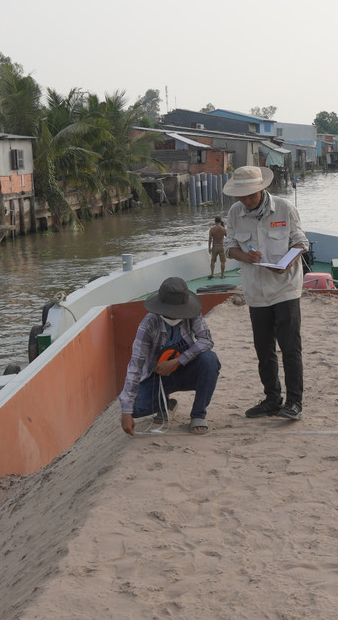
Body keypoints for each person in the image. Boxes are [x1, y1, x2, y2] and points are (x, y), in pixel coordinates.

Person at [223, 165, 307, 421]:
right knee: (264, 349)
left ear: (262, 189)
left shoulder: (284, 208)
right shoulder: (235, 212)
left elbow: (300, 241)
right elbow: (229, 246)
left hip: (285, 289)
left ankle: (294, 403)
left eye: (251, 195)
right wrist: (244, 255)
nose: (246, 200)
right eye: (242, 196)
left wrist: (288, 262)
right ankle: (272, 399)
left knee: (290, 348)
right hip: (256, 291)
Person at [118, 277, 221, 436]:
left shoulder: (192, 314)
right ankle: (166, 404)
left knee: (210, 359)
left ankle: (198, 414)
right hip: (158, 377)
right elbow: (135, 365)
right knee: (136, 408)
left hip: (187, 370)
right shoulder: (148, 325)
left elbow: (206, 340)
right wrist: (126, 412)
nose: (174, 315)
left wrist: (178, 361)